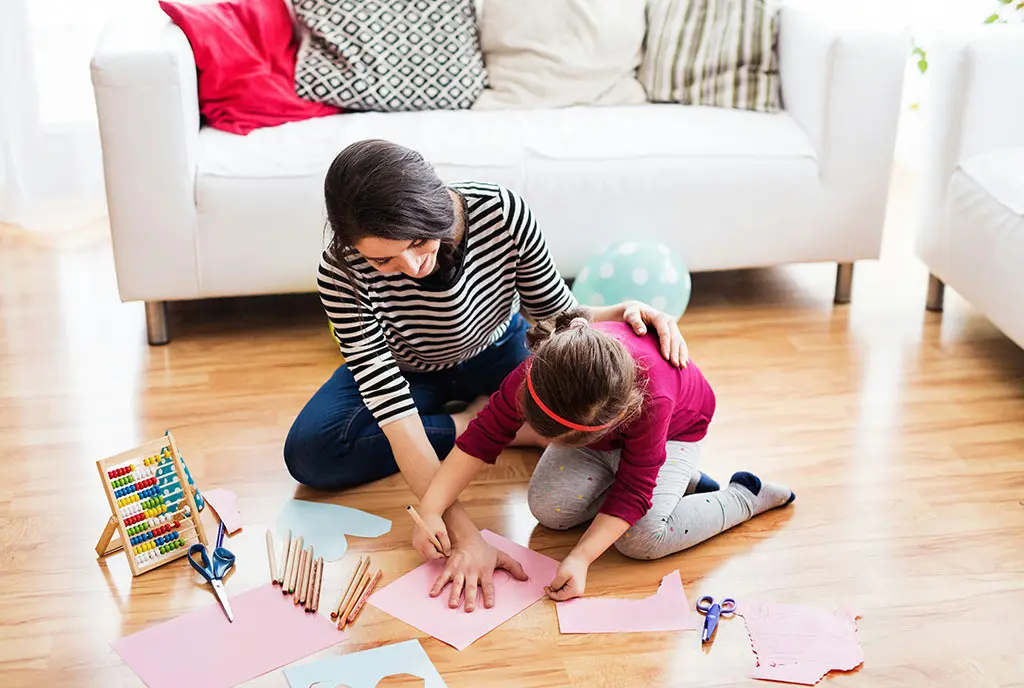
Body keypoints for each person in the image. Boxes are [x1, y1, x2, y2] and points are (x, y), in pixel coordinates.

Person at [285, 139, 689, 607]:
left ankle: (502, 421)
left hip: (501, 350)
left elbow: (556, 317)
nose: (412, 267)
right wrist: (462, 533)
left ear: (435, 204)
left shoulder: (501, 212)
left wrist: (621, 311)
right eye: (384, 261)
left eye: (418, 242)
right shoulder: (340, 270)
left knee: (580, 405)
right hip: (407, 369)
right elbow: (392, 411)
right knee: (310, 454)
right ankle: (483, 424)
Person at [411, 308, 796, 608]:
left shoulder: (653, 399)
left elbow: (633, 489)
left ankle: (744, 495)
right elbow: (480, 438)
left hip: (677, 432)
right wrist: (431, 509)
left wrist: (581, 559)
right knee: (549, 511)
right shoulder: (537, 375)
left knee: (642, 540)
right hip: (613, 439)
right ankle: (687, 483)